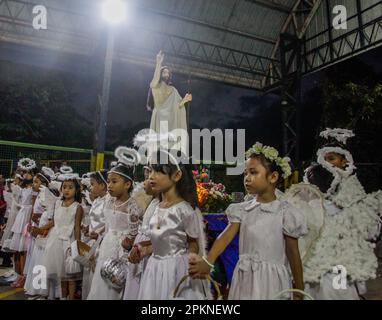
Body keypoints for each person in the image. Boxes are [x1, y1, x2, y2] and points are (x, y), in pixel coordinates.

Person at [189, 142, 307, 300]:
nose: (247, 178)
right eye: (245, 173)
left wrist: (299, 289)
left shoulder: (285, 212)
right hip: (245, 277)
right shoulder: (242, 210)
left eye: (253, 172)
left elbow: (293, 252)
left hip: (271, 281)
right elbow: (224, 237)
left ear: (273, 177)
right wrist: (208, 261)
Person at [302, 128, 381, 299]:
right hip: (315, 256)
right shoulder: (314, 182)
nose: (326, 163)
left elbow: (370, 229)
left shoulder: (354, 188)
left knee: (339, 291)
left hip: (342, 259)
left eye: (331, 159)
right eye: (324, 159)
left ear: (345, 161)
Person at [136, 149, 209, 300]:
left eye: (158, 171)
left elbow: (193, 242)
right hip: (154, 268)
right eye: (150, 170)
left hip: (175, 270)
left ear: (176, 175)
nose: (151, 177)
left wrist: (192, 262)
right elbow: (161, 240)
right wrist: (144, 249)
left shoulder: (185, 211)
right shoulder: (157, 206)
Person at [87, 148, 142, 300]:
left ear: (127, 184)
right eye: (109, 181)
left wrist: (129, 242)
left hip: (121, 249)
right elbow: (108, 224)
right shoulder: (108, 201)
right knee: (101, 278)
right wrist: (98, 234)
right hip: (107, 244)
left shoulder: (131, 206)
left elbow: (134, 230)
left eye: (114, 182)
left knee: (116, 281)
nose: (109, 185)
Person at [41, 170, 83, 300]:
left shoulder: (78, 207)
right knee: (61, 275)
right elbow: (54, 221)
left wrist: (77, 245)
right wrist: (41, 229)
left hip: (68, 242)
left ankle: (70, 297)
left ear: (76, 190)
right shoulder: (58, 203)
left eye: (70, 188)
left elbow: (77, 227)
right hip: (55, 241)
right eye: (64, 187)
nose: (67, 190)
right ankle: (63, 297)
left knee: (70, 276)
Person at [147, 50, 192, 148]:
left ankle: (168, 160)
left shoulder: (173, 90)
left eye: (167, 72)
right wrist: (158, 62)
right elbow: (154, 80)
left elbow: (178, 104)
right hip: (159, 116)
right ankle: (155, 161)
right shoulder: (155, 86)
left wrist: (185, 99)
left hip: (169, 118)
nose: (166, 74)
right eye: (164, 72)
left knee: (169, 142)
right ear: (160, 73)